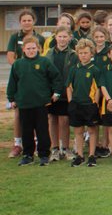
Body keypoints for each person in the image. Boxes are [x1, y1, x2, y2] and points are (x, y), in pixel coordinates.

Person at [7, 36, 62, 166]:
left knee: (42, 130)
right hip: (24, 104)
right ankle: (28, 155)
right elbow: (12, 83)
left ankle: (43, 155)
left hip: (41, 103)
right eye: (28, 48)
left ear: (38, 48)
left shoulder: (44, 62)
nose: (31, 51)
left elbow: (56, 78)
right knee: (26, 131)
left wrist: (57, 92)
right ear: (23, 49)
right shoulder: (17, 64)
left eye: (33, 48)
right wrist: (12, 99)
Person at [6, 9, 46, 159]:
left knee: (37, 115)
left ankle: (36, 144)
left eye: (29, 20)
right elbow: (10, 57)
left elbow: (42, 58)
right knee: (19, 114)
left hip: (37, 80)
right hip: (20, 78)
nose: (27, 22)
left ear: (34, 21)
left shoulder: (40, 38)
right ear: (20, 22)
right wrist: (23, 67)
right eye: (24, 20)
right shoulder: (14, 37)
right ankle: (18, 144)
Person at [66, 39, 102, 167]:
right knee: (78, 131)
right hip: (76, 104)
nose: (83, 55)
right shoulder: (74, 69)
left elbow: (98, 88)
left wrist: (95, 104)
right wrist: (71, 102)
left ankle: (92, 155)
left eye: (86, 53)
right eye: (81, 53)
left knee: (92, 131)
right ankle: (80, 155)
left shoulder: (95, 70)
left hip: (90, 104)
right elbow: (69, 86)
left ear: (91, 53)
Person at [44, 26, 76, 161]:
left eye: (65, 36)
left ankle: (66, 148)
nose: (62, 39)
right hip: (51, 93)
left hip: (65, 92)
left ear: (69, 38)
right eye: (60, 36)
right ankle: (55, 148)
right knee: (52, 119)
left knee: (64, 120)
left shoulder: (73, 55)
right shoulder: (48, 54)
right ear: (55, 37)